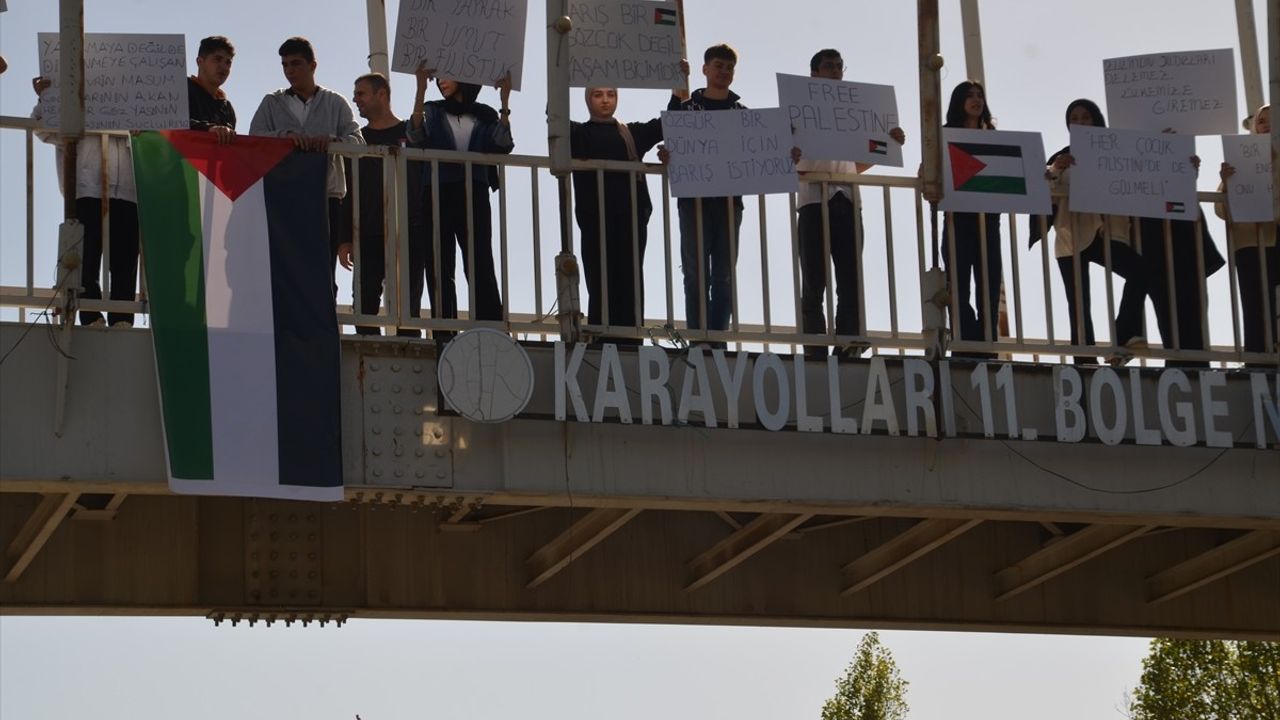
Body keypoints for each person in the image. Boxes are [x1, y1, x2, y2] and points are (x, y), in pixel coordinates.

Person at [794, 49, 905, 360]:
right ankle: (815, 346)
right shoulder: (799, 110)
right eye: (828, 66)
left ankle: (848, 343)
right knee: (814, 280)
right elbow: (789, 160)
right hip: (813, 200)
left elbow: (855, 165)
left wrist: (889, 144)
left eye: (839, 67)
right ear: (814, 74)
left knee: (850, 276)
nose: (835, 71)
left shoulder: (851, 112)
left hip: (846, 198)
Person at [570, 80, 685, 345]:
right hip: (594, 221)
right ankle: (602, 339)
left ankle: (631, 339)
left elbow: (666, 124)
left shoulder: (630, 133)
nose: (605, 100)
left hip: (630, 221)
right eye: (598, 94)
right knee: (599, 281)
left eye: (610, 94)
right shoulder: (577, 133)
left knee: (631, 279)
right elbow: (553, 116)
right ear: (588, 99)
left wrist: (676, 89)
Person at [1033, 99, 1146, 364]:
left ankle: (1124, 335)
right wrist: (1057, 169)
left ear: (1096, 121)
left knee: (1140, 271)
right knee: (1079, 305)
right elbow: (1043, 192)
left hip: (1106, 235)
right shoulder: (1062, 157)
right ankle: (1085, 363)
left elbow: (1141, 175)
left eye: (1086, 117)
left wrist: (1166, 150)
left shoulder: (1116, 155)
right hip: (1070, 237)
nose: (1081, 122)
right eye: (1075, 118)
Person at [408, 63, 513, 335]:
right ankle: (445, 332)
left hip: (474, 192)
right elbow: (415, 137)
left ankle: (490, 328)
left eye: (447, 73)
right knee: (440, 265)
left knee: (479, 262)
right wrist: (420, 89)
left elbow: (502, 145)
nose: (441, 80)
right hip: (438, 192)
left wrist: (504, 103)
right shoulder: (433, 109)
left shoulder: (485, 114)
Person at [249, 37, 363, 287]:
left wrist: (333, 141)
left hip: (327, 196)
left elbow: (358, 144)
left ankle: (322, 324)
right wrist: (285, 137)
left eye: (296, 63)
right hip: (284, 194)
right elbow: (254, 138)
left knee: (323, 271)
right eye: (285, 65)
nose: (289, 70)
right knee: (285, 269)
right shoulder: (272, 102)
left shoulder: (336, 102)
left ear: (313, 65)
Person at [32, 76, 139, 327]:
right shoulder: (76, 110)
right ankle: (90, 316)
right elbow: (42, 127)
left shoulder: (137, 112)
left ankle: (122, 318)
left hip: (128, 191)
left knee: (124, 260)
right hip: (87, 189)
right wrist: (46, 98)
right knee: (86, 258)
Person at [665, 43, 746, 341]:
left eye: (729, 68)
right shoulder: (687, 109)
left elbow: (763, 150)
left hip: (728, 203)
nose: (724, 72)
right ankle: (699, 337)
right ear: (705, 69)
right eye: (719, 66)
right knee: (695, 273)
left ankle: (718, 337)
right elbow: (670, 132)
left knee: (724, 274)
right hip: (694, 202)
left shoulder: (742, 113)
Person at [336, 73, 424, 337]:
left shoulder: (411, 134)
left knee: (408, 310)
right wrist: (344, 239)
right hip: (368, 232)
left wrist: (420, 86)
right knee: (363, 308)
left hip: (408, 231)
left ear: (381, 94)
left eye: (361, 93)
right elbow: (346, 191)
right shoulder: (356, 141)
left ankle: (409, 362)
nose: (355, 99)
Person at [1137, 151, 1224, 368]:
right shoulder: (1136, 173)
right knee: (1167, 310)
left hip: (1186, 245)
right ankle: (1178, 364)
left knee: (1192, 308)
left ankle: (1196, 365)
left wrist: (1186, 171)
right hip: (1153, 246)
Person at [941, 80, 1003, 355]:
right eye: (969, 96)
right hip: (958, 218)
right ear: (959, 102)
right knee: (958, 281)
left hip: (988, 218)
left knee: (989, 280)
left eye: (979, 95)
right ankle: (966, 339)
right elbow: (931, 170)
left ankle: (987, 340)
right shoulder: (944, 135)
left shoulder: (994, 135)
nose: (976, 100)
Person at [1217, 103, 1278, 360]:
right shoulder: (1241, 159)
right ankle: (1256, 358)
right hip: (1248, 242)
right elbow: (1222, 210)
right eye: (1261, 121)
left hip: (1275, 239)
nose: (1266, 125)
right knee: (1253, 302)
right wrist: (1227, 181)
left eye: (1272, 120)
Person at [188, 35, 237, 140]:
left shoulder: (227, 108)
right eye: (217, 59)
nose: (223, 67)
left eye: (228, 62)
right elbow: (168, 123)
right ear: (200, 62)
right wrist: (209, 129)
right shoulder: (181, 89)